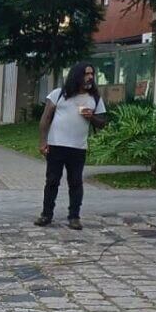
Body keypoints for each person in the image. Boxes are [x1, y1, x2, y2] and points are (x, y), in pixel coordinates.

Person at [37, 62, 108, 230]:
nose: (90, 77)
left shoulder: (94, 99)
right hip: (56, 145)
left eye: (92, 74)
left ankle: (74, 216)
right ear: (77, 75)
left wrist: (91, 117)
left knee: (75, 182)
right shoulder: (59, 94)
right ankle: (46, 214)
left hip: (78, 147)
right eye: (86, 74)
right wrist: (42, 141)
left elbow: (102, 123)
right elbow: (45, 119)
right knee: (52, 181)